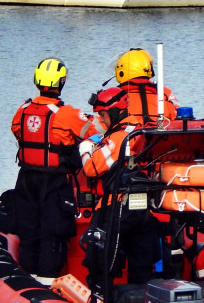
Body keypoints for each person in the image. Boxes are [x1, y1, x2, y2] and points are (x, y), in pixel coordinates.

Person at [10, 57, 97, 278]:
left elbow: (18, 132)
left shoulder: (22, 110)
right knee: (54, 234)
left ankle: (27, 279)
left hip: (26, 180)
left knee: (29, 233)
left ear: (37, 80)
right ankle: (49, 281)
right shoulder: (66, 114)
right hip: (55, 182)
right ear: (62, 82)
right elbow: (94, 131)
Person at [79, 87, 160, 286]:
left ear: (115, 112)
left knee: (102, 261)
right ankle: (140, 299)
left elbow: (91, 168)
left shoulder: (118, 138)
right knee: (141, 262)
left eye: (103, 115)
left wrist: (86, 149)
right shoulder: (139, 129)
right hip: (140, 208)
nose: (101, 120)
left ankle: (101, 302)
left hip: (115, 208)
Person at [112, 47, 178, 124]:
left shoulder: (115, 97)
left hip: (127, 134)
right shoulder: (164, 93)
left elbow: (100, 126)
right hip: (161, 134)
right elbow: (179, 118)